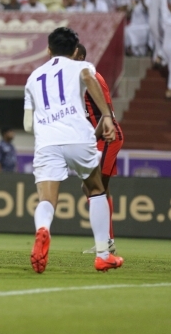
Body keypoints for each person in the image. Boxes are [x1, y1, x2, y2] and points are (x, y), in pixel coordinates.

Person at [23, 27, 120, 274]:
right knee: (96, 189)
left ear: (48, 49)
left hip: (46, 141)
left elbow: (26, 123)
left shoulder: (33, 77)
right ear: (76, 50)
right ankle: (103, 255)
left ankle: (43, 230)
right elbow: (89, 78)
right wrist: (107, 115)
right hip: (78, 136)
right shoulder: (81, 66)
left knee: (46, 200)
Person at [73, 43, 123, 256]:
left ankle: (106, 241)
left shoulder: (92, 79)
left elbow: (107, 115)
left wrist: (92, 141)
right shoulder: (78, 82)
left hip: (107, 138)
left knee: (93, 188)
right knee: (99, 189)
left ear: (81, 57)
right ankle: (106, 240)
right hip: (100, 140)